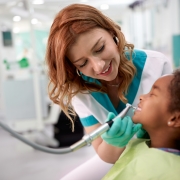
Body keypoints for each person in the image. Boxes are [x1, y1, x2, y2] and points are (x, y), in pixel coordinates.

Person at [45, 3, 173, 179]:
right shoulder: (80, 91)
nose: (98, 66)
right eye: (83, 64)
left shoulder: (157, 65)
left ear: (112, 33)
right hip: (116, 155)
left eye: (100, 48)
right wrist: (115, 142)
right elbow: (103, 152)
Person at [103, 69, 180, 180]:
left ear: (175, 119)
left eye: (152, 94)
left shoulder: (172, 173)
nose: (141, 96)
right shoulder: (137, 145)